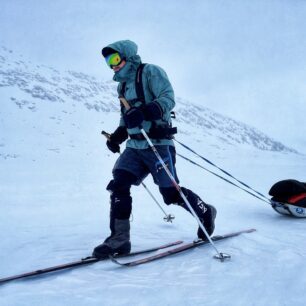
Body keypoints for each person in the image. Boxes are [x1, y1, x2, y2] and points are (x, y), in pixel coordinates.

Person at [92, 40, 217, 258]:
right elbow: (126, 118)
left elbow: (168, 99)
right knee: (118, 183)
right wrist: (117, 137)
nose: (112, 65)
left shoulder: (151, 72)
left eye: (115, 59)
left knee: (170, 194)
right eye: (108, 62)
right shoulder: (122, 86)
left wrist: (146, 112)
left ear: (127, 56)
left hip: (158, 143)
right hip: (135, 145)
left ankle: (206, 212)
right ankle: (119, 240)